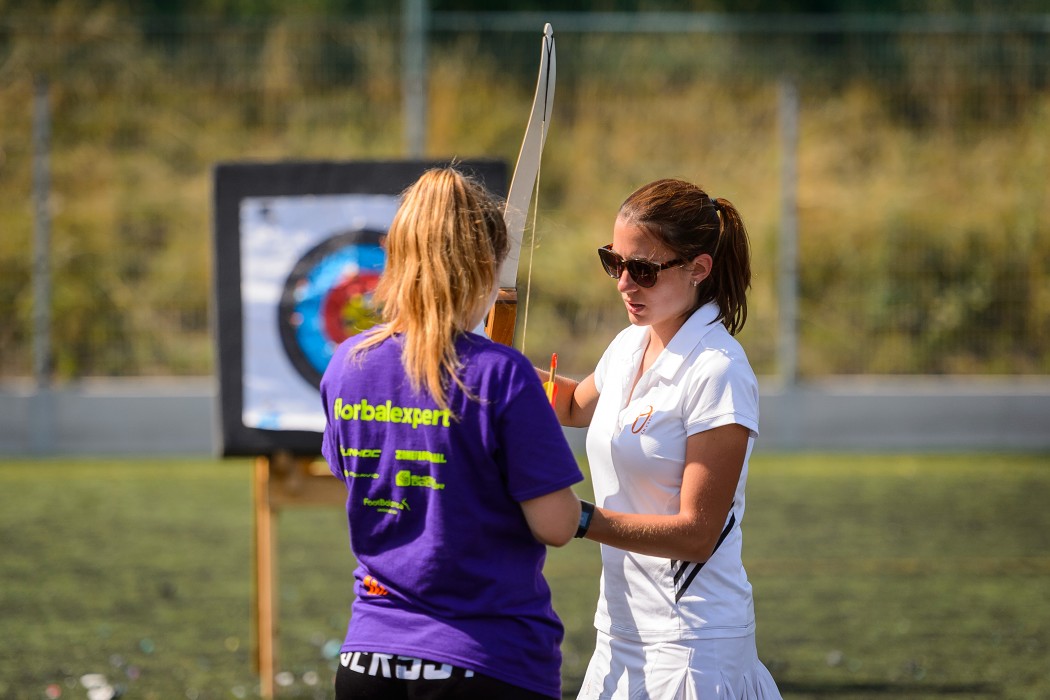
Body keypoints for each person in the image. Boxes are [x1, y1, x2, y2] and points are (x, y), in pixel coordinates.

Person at [320, 167, 584, 700]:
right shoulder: (501, 374)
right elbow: (555, 524)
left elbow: (355, 473)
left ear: (395, 256)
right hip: (487, 661)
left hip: (368, 662)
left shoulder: (347, 364)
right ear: (488, 264)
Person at [544, 178, 783, 699]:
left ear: (698, 268)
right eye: (615, 263)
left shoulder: (719, 370)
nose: (624, 284)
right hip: (619, 631)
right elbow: (570, 405)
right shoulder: (630, 344)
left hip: (693, 645)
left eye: (644, 270)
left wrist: (579, 518)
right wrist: (488, 366)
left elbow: (698, 534)